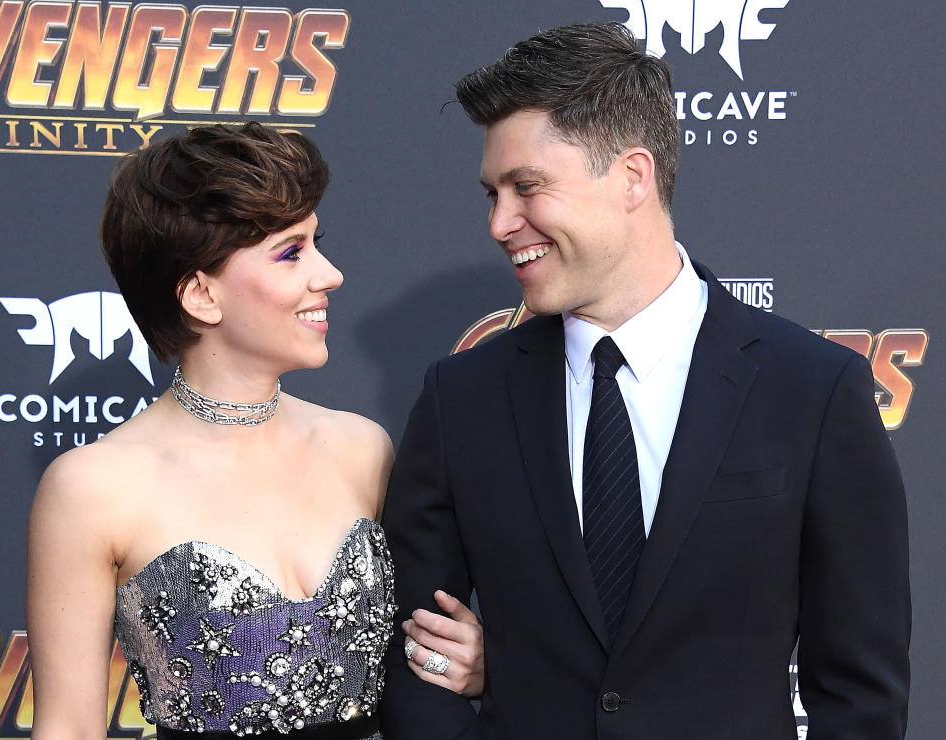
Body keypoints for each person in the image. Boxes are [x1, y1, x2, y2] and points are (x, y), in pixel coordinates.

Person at [380, 22, 910, 739]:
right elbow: (414, 666)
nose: (501, 222)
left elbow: (861, 694)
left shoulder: (813, 390)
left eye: (527, 187)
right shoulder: (461, 399)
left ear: (633, 176)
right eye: (492, 193)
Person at [26, 123, 482, 740]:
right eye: (291, 252)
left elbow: (414, 663)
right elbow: (70, 730)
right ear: (199, 294)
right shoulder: (92, 487)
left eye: (317, 242)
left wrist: (471, 664)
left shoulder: (361, 448)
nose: (331, 274)